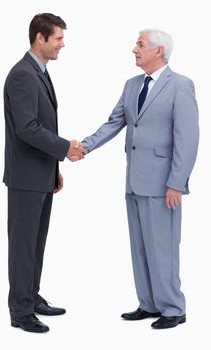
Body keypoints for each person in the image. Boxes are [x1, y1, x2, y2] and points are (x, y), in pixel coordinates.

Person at [77, 29, 199, 329]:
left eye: (140, 45)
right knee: (140, 246)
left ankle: (173, 308)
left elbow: (188, 138)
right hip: (134, 179)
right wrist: (84, 146)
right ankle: (148, 304)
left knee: (163, 247)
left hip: (162, 184)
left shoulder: (180, 86)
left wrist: (176, 182)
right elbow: (115, 121)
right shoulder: (132, 85)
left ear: (159, 51)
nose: (134, 49)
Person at [3, 13, 85, 333]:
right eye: (58, 39)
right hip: (25, 178)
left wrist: (54, 169)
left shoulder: (40, 72)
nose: (62, 44)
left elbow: (40, 124)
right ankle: (20, 311)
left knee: (36, 242)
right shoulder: (23, 74)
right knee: (23, 244)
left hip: (40, 175)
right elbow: (27, 128)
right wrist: (65, 148)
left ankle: (30, 296)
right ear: (40, 37)